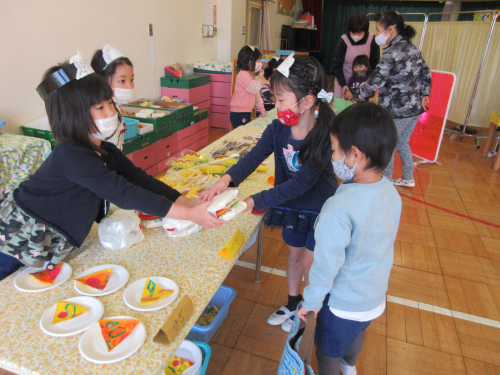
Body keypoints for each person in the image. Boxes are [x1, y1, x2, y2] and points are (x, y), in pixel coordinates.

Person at [0, 51, 223, 281]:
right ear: (73, 115)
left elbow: (139, 179)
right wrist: (188, 213)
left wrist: (186, 202)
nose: (111, 113)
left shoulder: (103, 150)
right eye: (100, 108)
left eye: (110, 103)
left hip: (49, 237)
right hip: (19, 230)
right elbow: (124, 194)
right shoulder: (71, 154)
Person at [201, 54, 339, 332]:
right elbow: (252, 158)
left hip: (320, 210)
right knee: (294, 257)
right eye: (274, 99)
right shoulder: (277, 129)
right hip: (292, 207)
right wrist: (226, 179)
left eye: (281, 100)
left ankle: (309, 310)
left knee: (312, 263)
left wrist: (256, 200)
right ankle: (292, 302)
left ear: (307, 102)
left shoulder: (323, 136)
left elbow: (302, 183)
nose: (276, 106)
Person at [298, 103, 401, 375]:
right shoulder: (390, 191)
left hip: (341, 304)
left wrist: (311, 302)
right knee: (356, 333)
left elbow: (325, 265)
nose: (332, 157)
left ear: (355, 155)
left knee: (327, 350)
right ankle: (350, 368)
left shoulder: (339, 208)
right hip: (373, 297)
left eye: (334, 151)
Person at [352, 11, 431, 187]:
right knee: (402, 142)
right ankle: (408, 177)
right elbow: (426, 72)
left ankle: (384, 183)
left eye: (378, 29)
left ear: (390, 29)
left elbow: (376, 80)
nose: (377, 34)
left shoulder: (392, 53)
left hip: (397, 111)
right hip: (414, 109)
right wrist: (426, 94)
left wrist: (357, 96)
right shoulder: (412, 48)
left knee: (385, 146)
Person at [91, 44, 134, 150]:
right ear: (102, 80)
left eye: (132, 79)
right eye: (122, 81)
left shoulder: (116, 108)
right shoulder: (96, 115)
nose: (130, 86)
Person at [332, 14, 379, 99]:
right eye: (353, 32)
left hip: (363, 82)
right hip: (343, 81)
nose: (356, 35)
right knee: (339, 109)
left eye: (359, 33)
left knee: (360, 109)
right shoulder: (343, 41)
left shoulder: (372, 40)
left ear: (366, 31)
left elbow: (374, 63)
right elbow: (337, 66)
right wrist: (343, 84)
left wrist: (371, 82)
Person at [230, 45, 266, 128]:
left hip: (245, 112)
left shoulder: (250, 77)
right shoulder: (243, 75)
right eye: (258, 61)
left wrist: (262, 110)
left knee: (245, 135)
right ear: (250, 63)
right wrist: (260, 78)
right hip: (238, 113)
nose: (259, 63)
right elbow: (254, 89)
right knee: (242, 136)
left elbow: (256, 95)